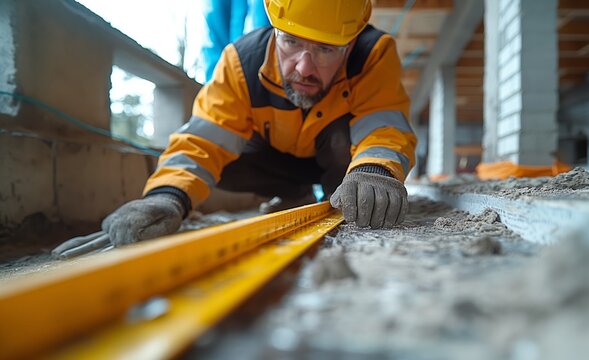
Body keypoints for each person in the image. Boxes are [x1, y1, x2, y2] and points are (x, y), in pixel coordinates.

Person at [52, 0, 417, 259]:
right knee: (222, 160)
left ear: (352, 42)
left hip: (341, 162)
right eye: (290, 42)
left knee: (344, 144)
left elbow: (383, 124)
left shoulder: (374, 54)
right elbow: (203, 139)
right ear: (275, 30)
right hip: (276, 160)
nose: (304, 67)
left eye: (325, 49)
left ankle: (336, 192)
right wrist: (166, 196)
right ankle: (296, 192)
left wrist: (374, 170)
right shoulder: (240, 62)